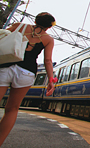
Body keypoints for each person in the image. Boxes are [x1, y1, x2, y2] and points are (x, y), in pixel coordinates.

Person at [0, 12, 56, 146]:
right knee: (12, 109)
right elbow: (48, 61)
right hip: (26, 73)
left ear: (35, 20)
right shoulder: (48, 39)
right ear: (49, 27)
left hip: (5, 66)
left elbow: (2, 38)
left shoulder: (19, 26)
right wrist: (51, 80)